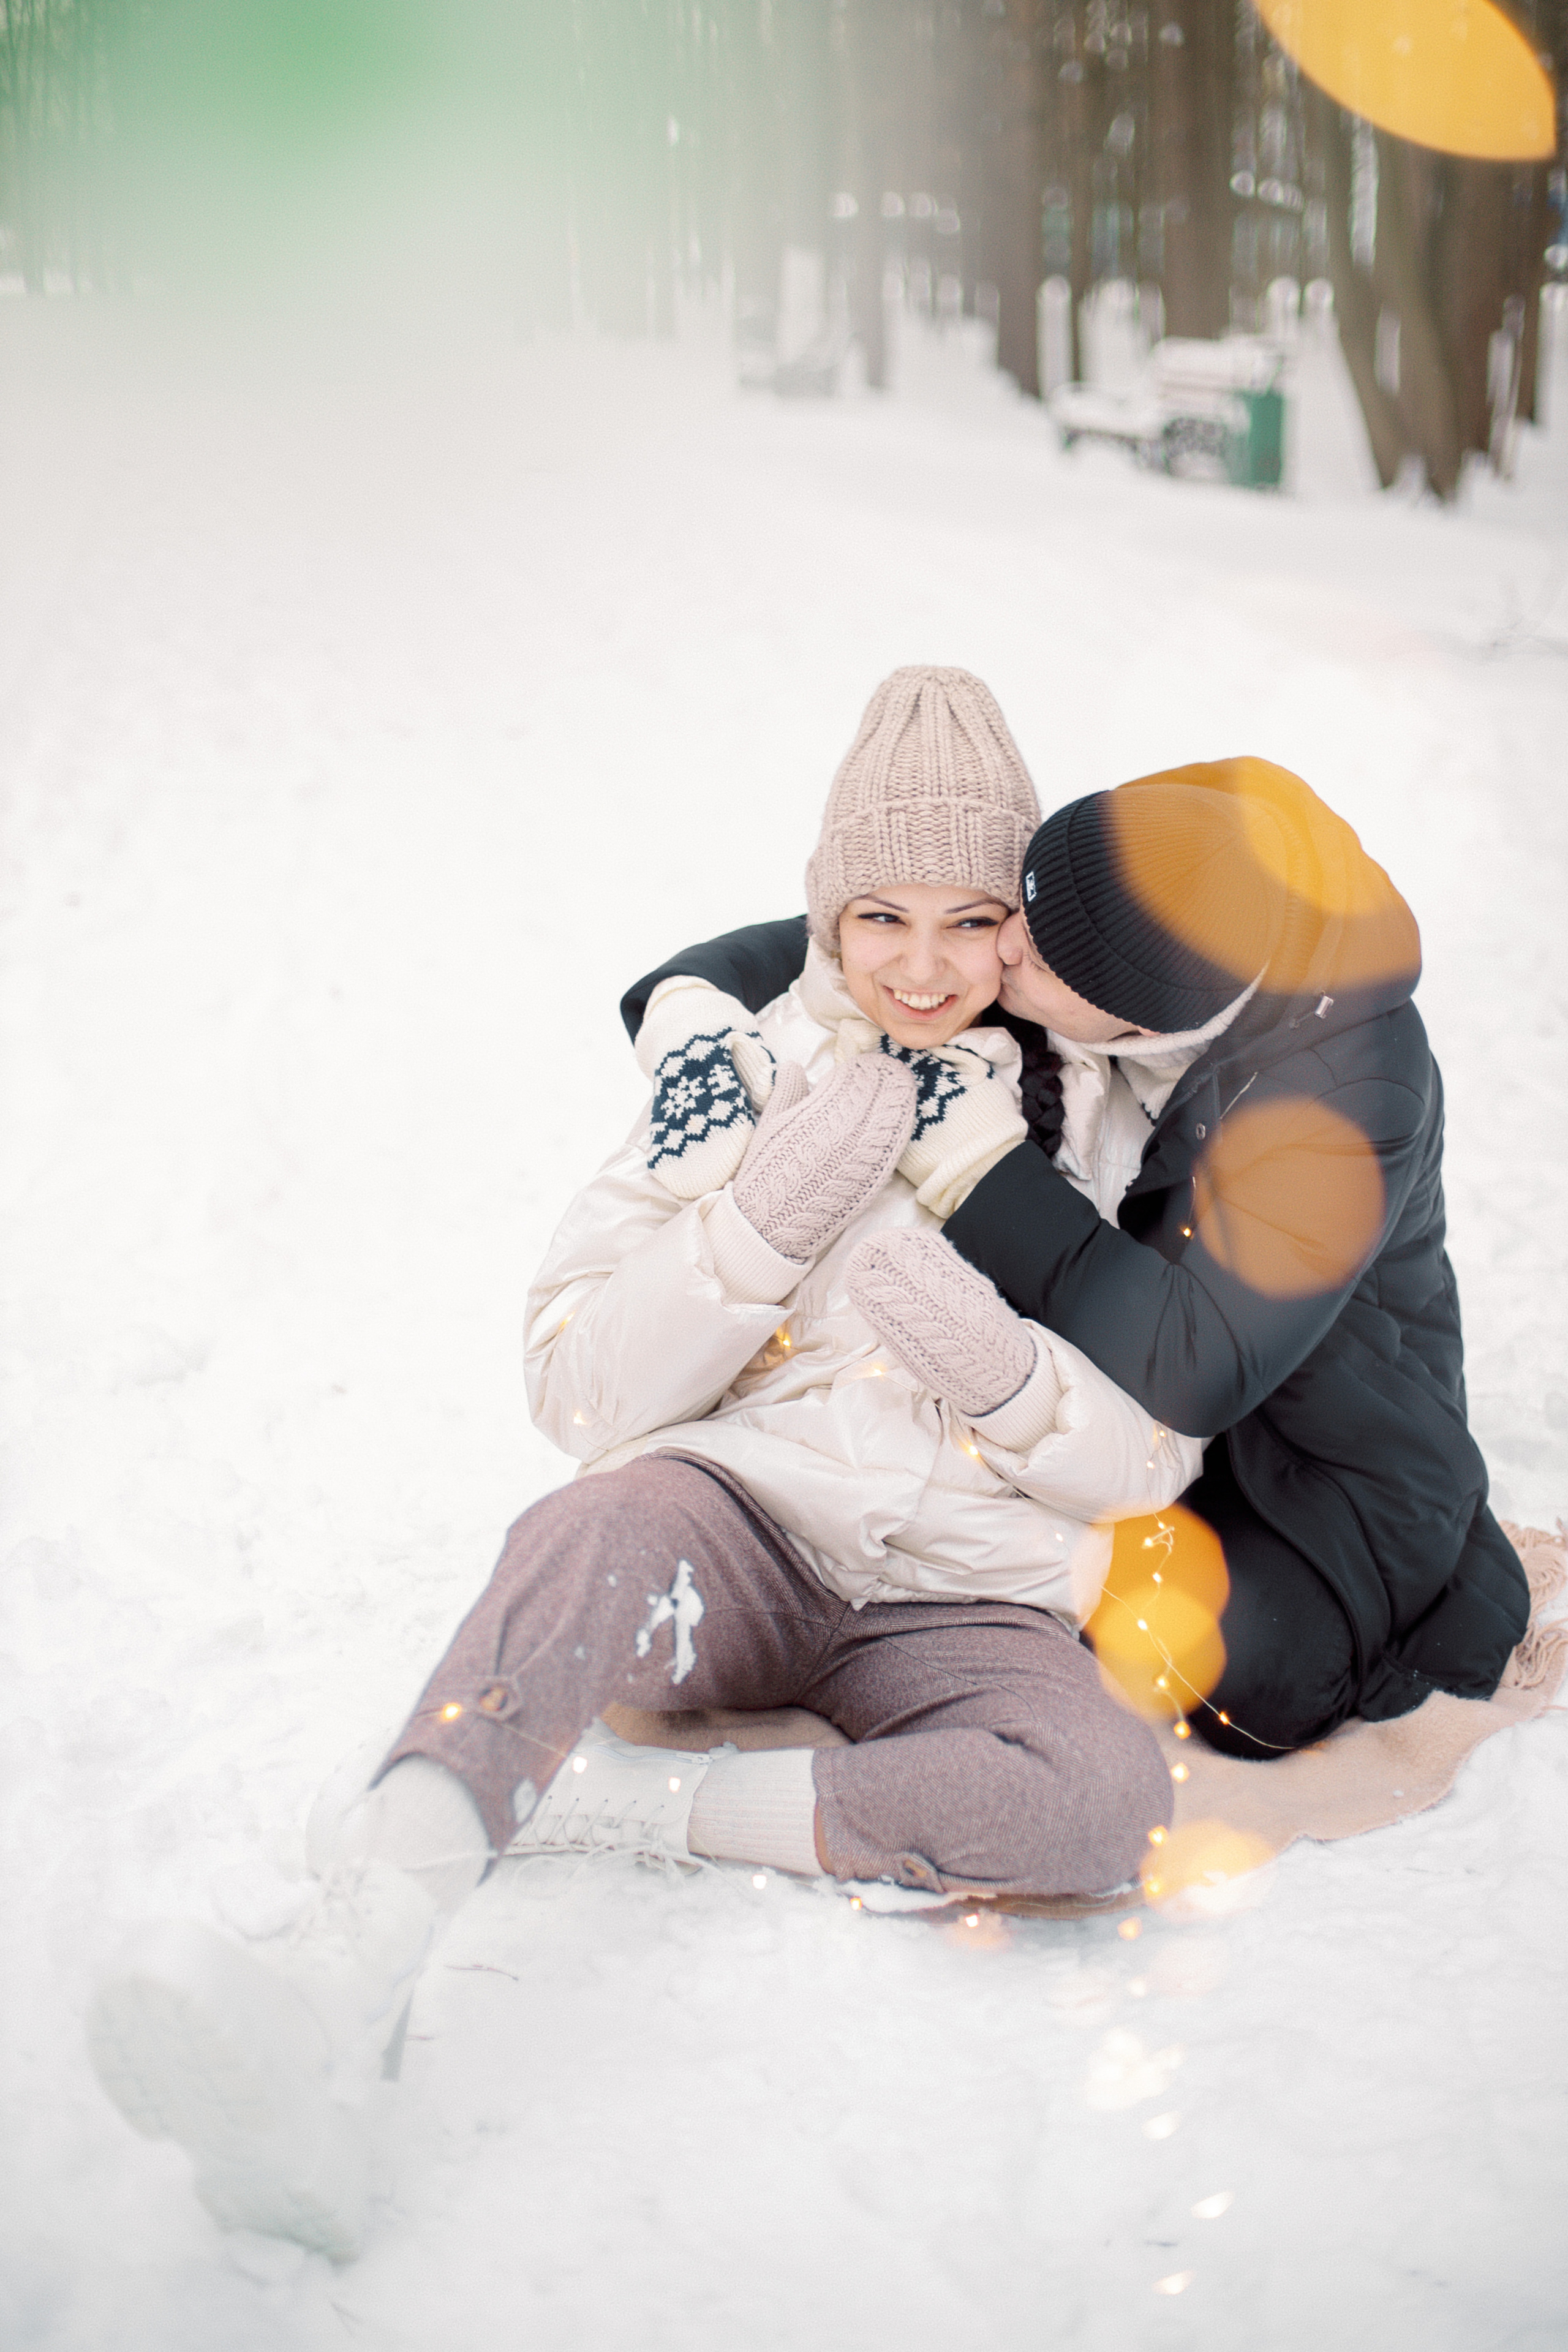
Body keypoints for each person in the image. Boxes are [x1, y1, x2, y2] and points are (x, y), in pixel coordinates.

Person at [85, 666, 1199, 2260]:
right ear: (823, 912)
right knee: (593, 1525)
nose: (927, 965)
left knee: (1097, 1803)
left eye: (970, 920)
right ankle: (344, 1982)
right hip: (736, 1526)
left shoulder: (1098, 1120)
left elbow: (1158, 1439)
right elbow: (577, 1383)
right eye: (880, 916)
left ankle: (610, 1805)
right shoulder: (728, 1075)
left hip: (973, 1596)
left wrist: (1008, 1374)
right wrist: (756, 1232)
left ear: (1018, 931)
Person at [623, 750, 1529, 1758]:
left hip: (1305, 1448)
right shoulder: (1159, 860)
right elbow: (866, 939)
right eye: (1017, 910)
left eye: (1037, 961)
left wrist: (977, 1164)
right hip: (1100, 1392)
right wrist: (689, 1009)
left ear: (1145, 1024)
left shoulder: (1354, 1094)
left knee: (1242, 1678)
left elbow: (1200, 1366)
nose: (997, 950)